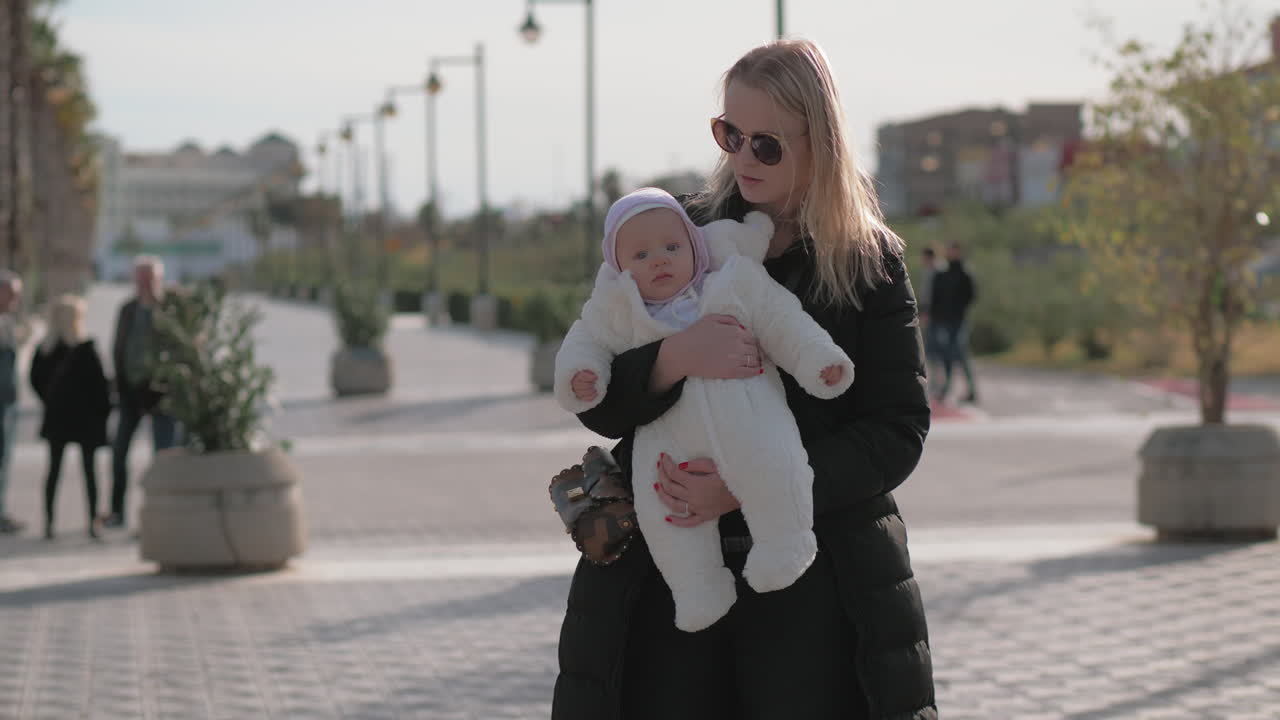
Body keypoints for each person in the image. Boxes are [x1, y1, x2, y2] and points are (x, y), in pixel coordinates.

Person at [551, 39, 936, 720]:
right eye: (730, 133)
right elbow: (597, 393)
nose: (741, 157)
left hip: (818, 590)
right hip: (663, 588)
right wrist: (674, 358)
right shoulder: (674, 232)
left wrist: (749, 487)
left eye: (767, 144)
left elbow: (898, 429)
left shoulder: (869, 262)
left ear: (820, 142)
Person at [555, 187, 855, 631]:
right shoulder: (618, 309)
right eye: (640, 255)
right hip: (668, 440)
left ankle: (785, 546)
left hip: (753, 422)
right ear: (617, 268)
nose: (659, 259)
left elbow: (784, 323)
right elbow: (586, 343)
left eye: (672, 247)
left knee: (778, 469)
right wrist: (583, 375)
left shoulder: (735, 281)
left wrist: (818, 361)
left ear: (695, 247)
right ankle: (697, 588)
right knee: (666, 516)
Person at [30, 295, 112, 540]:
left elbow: (35, 381)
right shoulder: (85, 350)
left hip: (57, 418)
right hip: (84, 420)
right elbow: (101, 388)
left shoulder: (45, 351)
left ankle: (49, 522)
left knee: (54, 470)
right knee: (89, 471)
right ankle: (92, 522)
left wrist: (50, 401)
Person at [107, 255, 179, 529]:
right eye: (140, 279)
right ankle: (117, 512)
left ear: (159, 280)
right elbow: (119, 348)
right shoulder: (127, 309)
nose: (145, 285)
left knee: (163, 456)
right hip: (129, 395)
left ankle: (161, 511)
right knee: (119, 453)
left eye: (149, 279)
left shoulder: (169, 309)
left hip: (162, 396)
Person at [929, 241, 979, 404]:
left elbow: (971, 296)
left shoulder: (965, 273)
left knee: (959, 353)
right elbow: (935, 297)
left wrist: (959, 309)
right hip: (942, 320)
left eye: (955, 251)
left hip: (958, 320)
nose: (952, 253)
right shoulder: (942, 274)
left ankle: (970, 390)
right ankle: (947, 389)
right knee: (946, 355)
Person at [0, 271, 29, 534]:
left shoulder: (8, 322)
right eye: (12, 294)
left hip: (8, 402)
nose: (16, 300)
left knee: (4, 460)